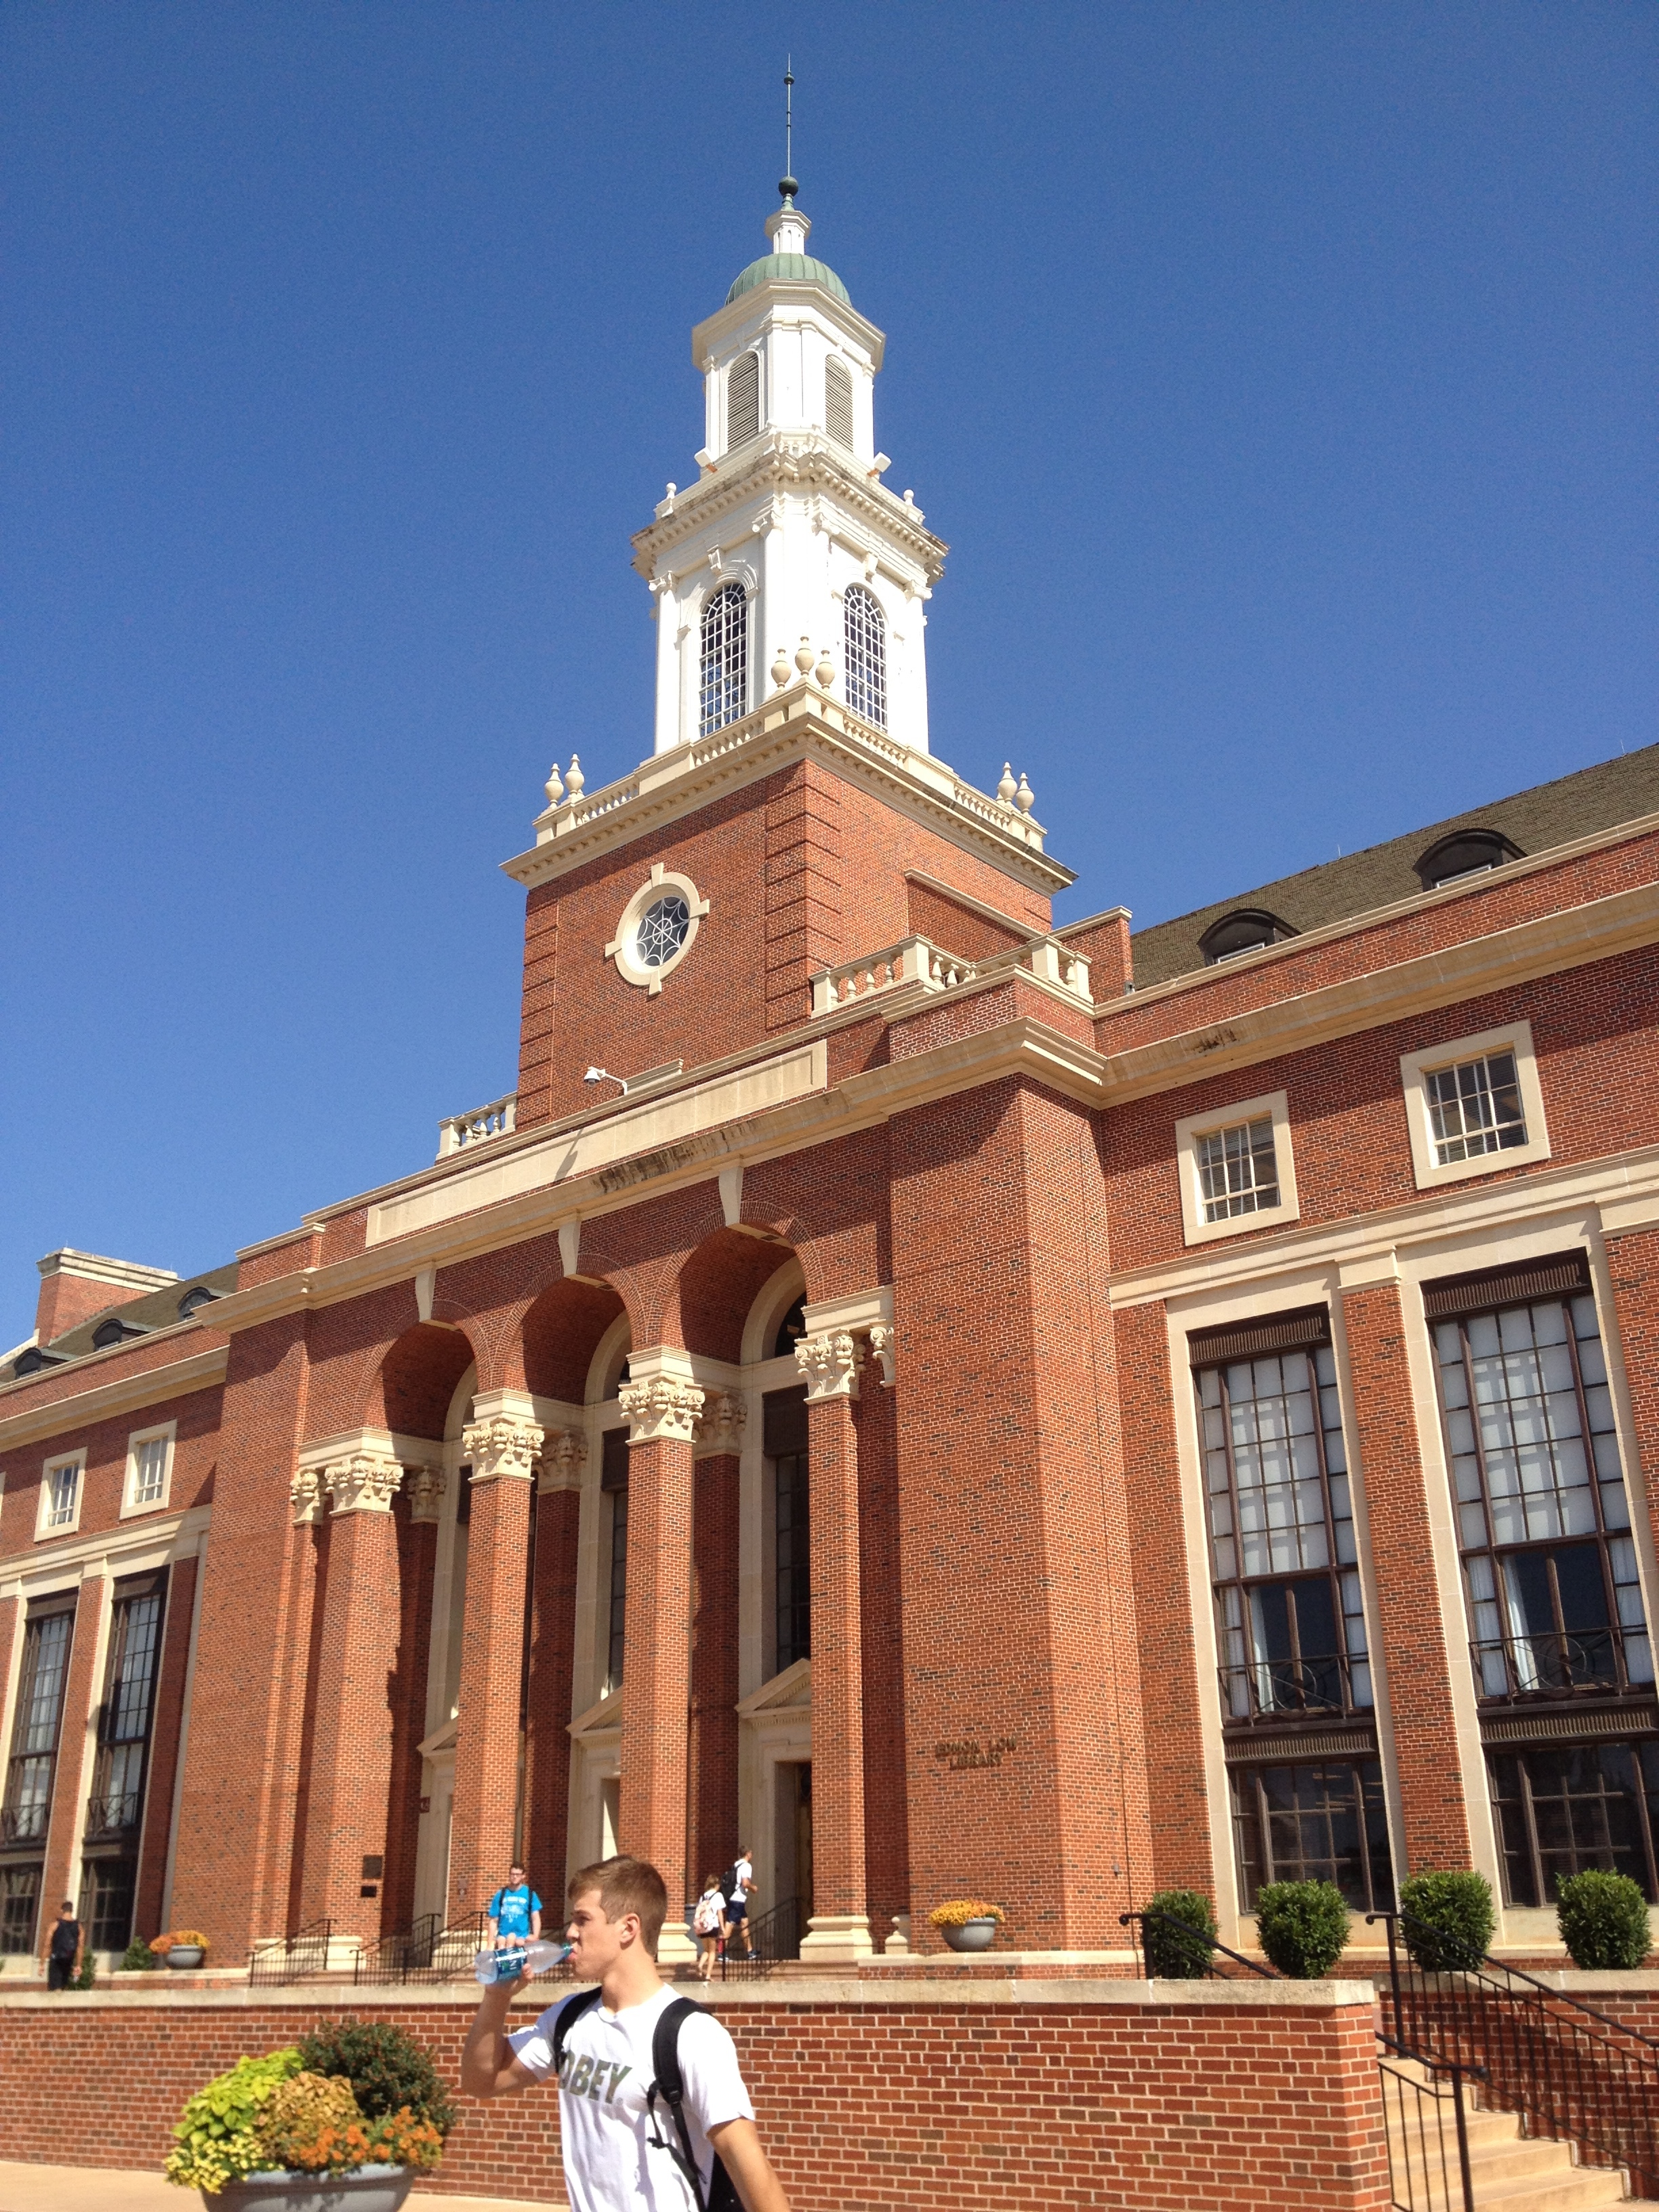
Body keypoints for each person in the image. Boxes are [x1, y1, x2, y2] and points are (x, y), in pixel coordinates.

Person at [462, 1853, 791, 2212]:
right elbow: (481, 2082)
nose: (570, 1932)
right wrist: (496, 1998)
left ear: (628, 1928)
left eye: (582, 1919)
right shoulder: (568, 2018)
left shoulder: (691, 2034)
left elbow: (752, 2173)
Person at [487, 1863, 542, 1954]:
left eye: (518, 1874)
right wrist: (489, 1943)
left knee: (516, 1943)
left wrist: (536, 1936)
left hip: (522, 1937)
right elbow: (494, 1920)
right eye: (512, 1874)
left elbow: (535, 1918)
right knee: (502, 1946)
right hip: (503, 1936)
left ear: (523, 1876)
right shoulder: (501, 1894)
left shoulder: (530, 1894)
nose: (515, 1877)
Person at [691, 1874, 727, 1984]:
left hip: (703, 1927)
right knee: (712, 1952)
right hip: (712, 1926)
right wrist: (722, 1927)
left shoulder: (703, 1896)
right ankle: (708, 1975)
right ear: (716, 1885)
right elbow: (720, 1912)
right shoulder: (718, 1895)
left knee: (706, 1950)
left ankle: (700, 1965)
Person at [723, 1849, 756, 1959]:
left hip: (734, 1898)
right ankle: (721, 1952)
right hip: (738, 1899)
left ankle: (750, 1951)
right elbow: (745, 1883)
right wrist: (753, 1888)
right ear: (748, 1854)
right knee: (729, 1925)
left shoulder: (736, 1865)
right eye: (751, 1853)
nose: (752, 1855)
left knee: (744, 1923)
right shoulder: (746, 1866)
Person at [46, 1900, 82, 1992]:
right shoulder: (79, 1927)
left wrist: (42, 1963)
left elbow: (47, 1944)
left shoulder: (55, 1925)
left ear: (62, 1910)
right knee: (63, 1984)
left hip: (57, 1958)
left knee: (55, 1987)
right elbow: (80, 1947)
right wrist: (78, 1965)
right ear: (72, 1911)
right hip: (69, 1958)